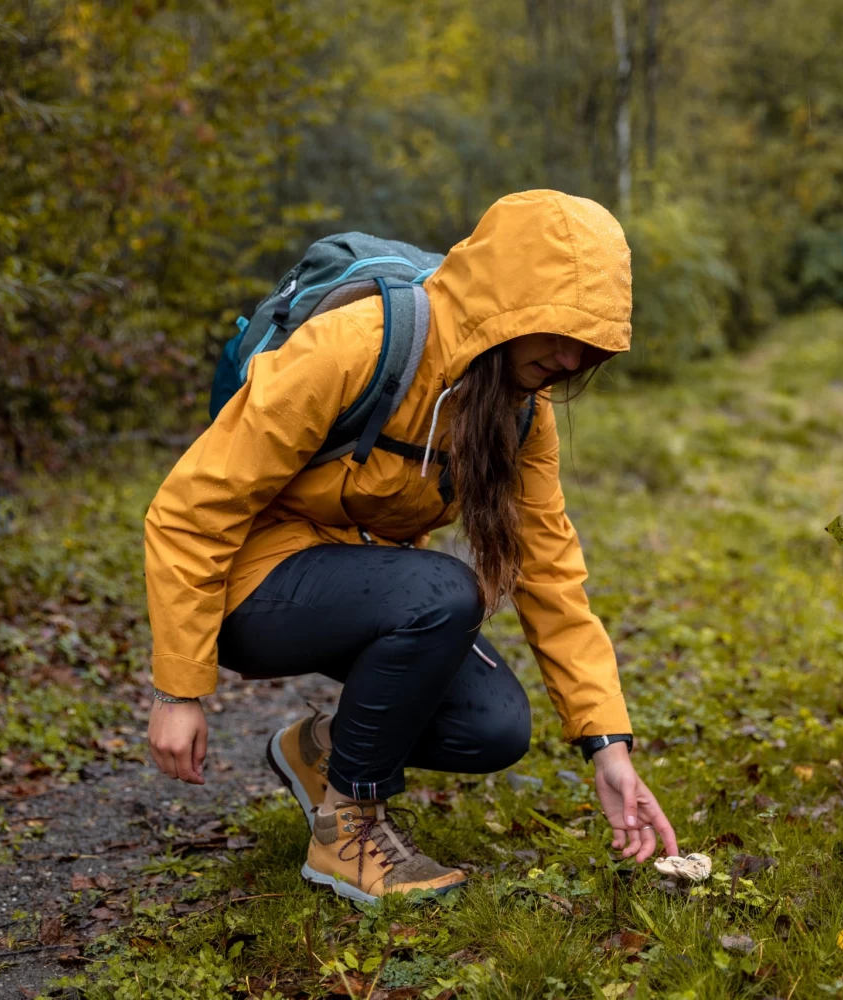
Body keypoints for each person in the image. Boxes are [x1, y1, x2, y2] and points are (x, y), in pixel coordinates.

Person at [142, 189, 678, 904]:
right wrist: (179, 688)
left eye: (590, 341)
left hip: (361, 579)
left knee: (491, 727)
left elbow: (549, 569)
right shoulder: (359, 345)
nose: (569, 354)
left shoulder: (521, 415)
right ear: (505, 304)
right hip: (252, 583)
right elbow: (192, 505)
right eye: (555, 327)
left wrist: (609, 746)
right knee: (444, 590)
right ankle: (348, 833)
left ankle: (318, 753)